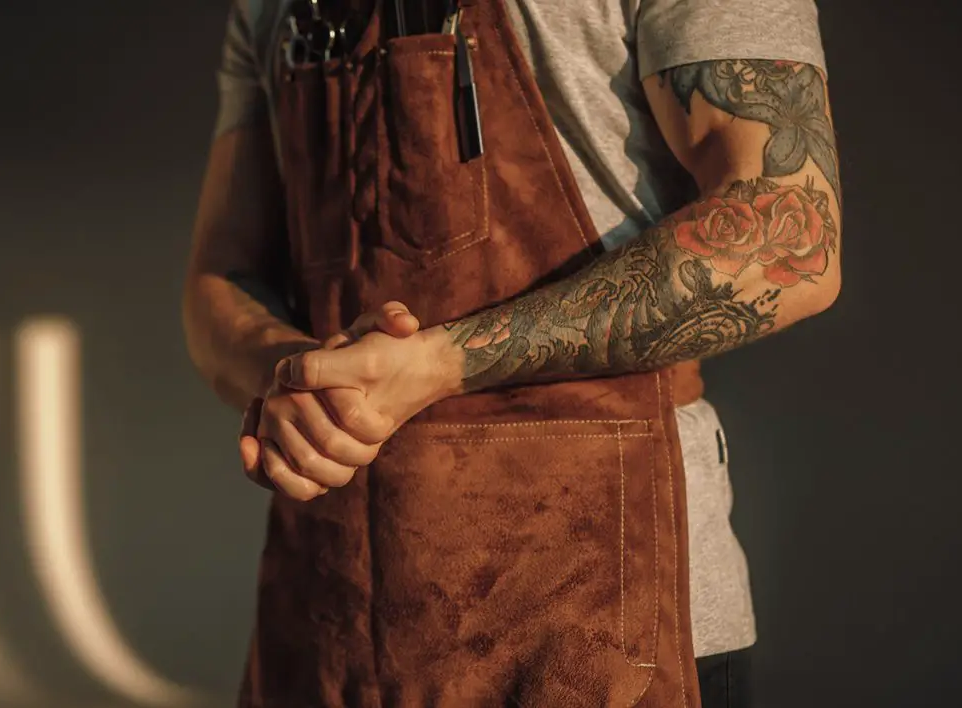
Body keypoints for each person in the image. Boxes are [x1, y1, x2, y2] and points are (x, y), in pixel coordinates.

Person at [183, 0, 840, 706]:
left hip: (598, 625)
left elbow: (789, 236)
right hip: (328, 626)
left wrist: (438, 363)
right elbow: (219, 277)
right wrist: (296, 377)